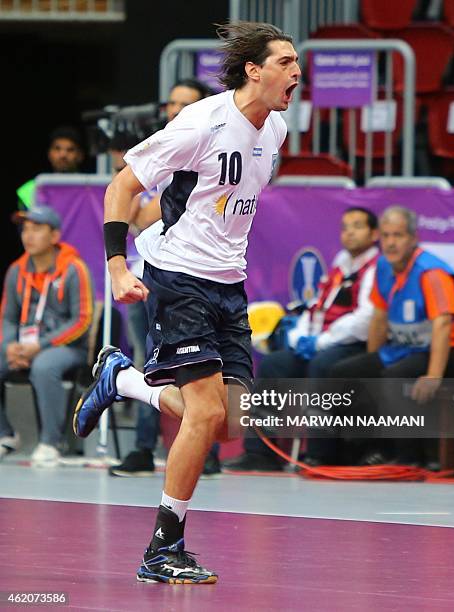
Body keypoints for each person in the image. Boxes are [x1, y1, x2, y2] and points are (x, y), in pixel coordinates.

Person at [73, 20, 300, 584]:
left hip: (229, 282)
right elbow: (122, 186)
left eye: (298, 63)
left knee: (228, 424)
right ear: (254, 69)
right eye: (286, 62)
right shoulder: (201, 121)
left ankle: (121, 380)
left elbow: (213, 201)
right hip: (178, 277)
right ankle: (163, 547)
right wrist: (119, 264)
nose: (297, 73)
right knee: (201, 414)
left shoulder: (275, 129)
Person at [108, 78, 221, 478]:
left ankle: (204, 450)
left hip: (196, 277)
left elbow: (150, 212)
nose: (175, 112)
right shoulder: (165, 153)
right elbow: (135, 217)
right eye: (171, 104)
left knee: (205, 371)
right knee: (149, 360)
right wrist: (131, 169)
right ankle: (142, 449)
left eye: (184, 104)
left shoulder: (201, 156)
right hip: (148, 278)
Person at [225, 207, 379, 471]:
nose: (349, 232)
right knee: (274, 364)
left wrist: (322, 341)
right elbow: (316, 307)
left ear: (374, 233)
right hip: (319, 342)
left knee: (323, 366)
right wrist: (299, 337)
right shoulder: (341, 265)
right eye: (345, 227)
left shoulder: (376, 268)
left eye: (357, 226)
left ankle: (320, 453)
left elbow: (366, 319)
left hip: (350, 345)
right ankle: (260, 453)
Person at [331, 206, 454, 464]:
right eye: (385, 236)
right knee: (346, 372)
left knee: (395, 376)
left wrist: (433, 375)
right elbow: (379, 318)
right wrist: (371, 361)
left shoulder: (432, 272)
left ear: (412, 238)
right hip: (408, 349)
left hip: (452, 352)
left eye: (397, 235)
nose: (390, 242)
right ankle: (364, 449)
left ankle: (408, 457)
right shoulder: (384, 268)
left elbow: (443, 325)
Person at [0, 206, 94, 466]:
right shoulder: (16, 271)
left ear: (54, 236)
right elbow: (8, 317)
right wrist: (9, 347)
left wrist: (39, 346)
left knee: (43, 366)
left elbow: (82, 320)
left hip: (68, 348)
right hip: (24, 345)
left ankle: (51, 442)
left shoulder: (74, 269)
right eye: (25, 229)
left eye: (37, 229)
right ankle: (5, 435)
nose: (28, 235)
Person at [17, 126, 85, 210]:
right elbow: (26, 222)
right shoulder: (30, 189)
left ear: (80, 156)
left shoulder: (92, 190)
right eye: (57, 149)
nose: (63, 155)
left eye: (70, 150)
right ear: (49, 154)